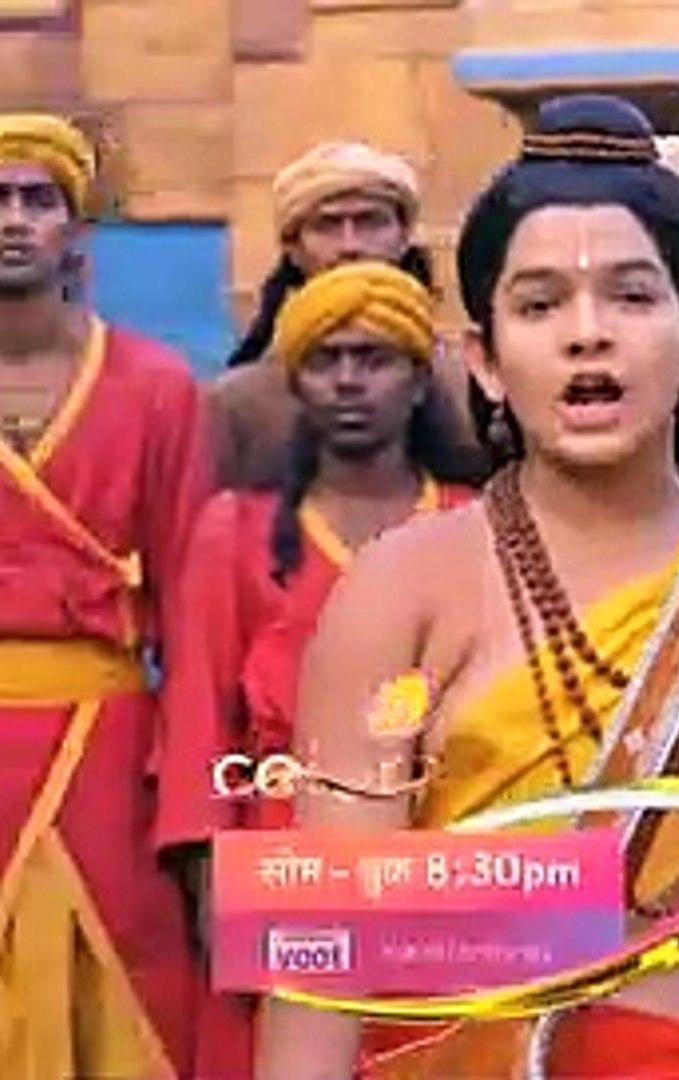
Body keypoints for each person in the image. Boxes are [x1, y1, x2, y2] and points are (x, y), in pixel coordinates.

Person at [252, 94, 679, 1080]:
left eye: (630, 297)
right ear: (486, 361)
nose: (588, 334)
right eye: (540, 305)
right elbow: (325, 949)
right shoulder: (402, 589)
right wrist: (575, 899)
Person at [154, 261, 483, 1076]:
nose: (348, 381)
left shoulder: (479, 525)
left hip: (455, 865)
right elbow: (198, 726)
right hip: (282, 865)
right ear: (296, 383)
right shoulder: (232, 533)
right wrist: (211, 883)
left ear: (419, 380)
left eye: (374, 358)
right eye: (325, 360)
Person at [0, 112, 209, 1077]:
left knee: (129, 998)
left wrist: (190, 794)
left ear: (76, 227)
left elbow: (193, 613)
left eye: (38, 199)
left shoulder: (158, 388)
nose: (14, 220)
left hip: (106, 751)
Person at [209, 141, 486, 489]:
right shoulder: (240, 403)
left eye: (370, 222)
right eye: (327, 225)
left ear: (404, 238)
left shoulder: (472, 385)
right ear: (293, 248)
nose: (350, 246)